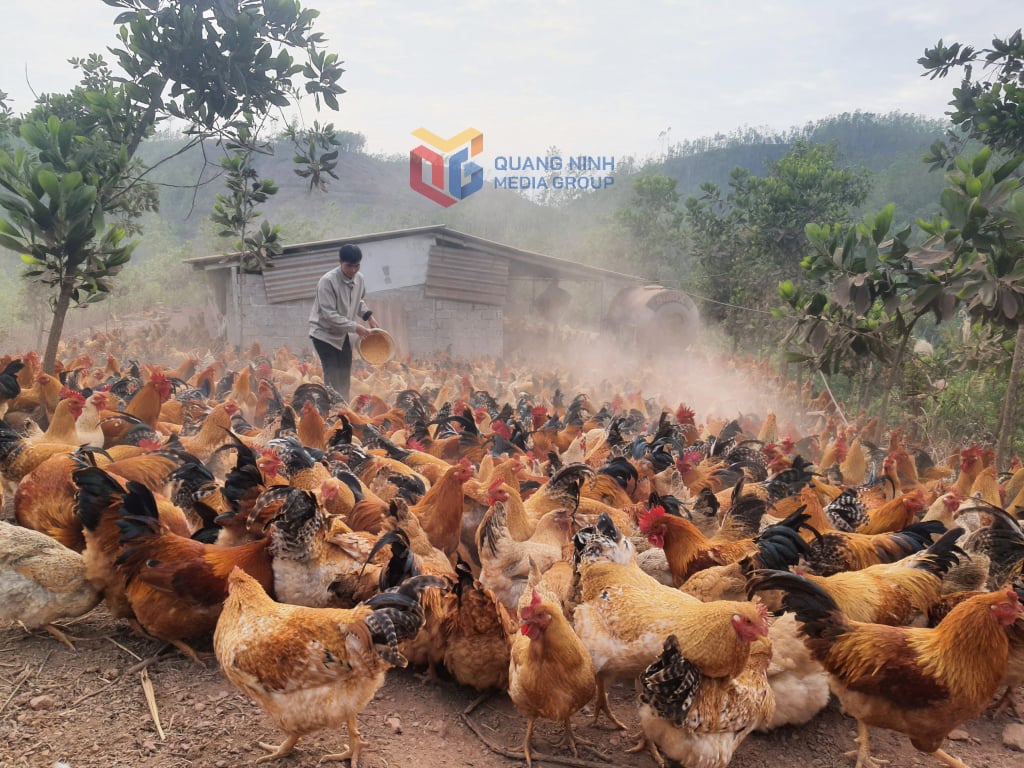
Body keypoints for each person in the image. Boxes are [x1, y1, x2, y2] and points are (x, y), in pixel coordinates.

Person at [309, 243, 378, 400]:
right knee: (333, 372)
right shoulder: (327, 282)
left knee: (345, 372)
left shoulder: (359, 279)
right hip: (324, 334)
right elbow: (328, 314)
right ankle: (332, 409)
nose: (353, 270)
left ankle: (345, 408)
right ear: (340, 263)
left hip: (342, 333)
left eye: (357, 266)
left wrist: (368, 316)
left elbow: (357, 301)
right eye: (349, 266)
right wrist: (355, 327)